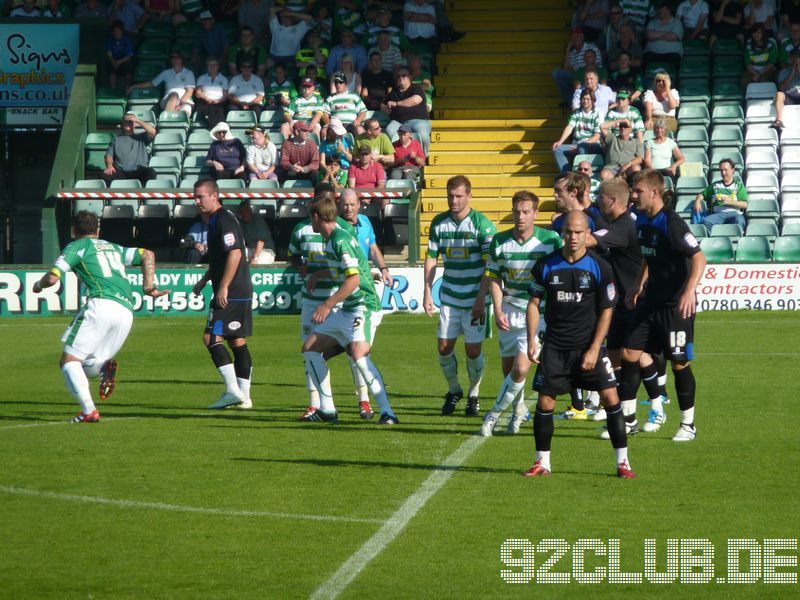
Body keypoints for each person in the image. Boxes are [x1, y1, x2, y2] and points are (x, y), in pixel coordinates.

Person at [522, 210, 634, 478]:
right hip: (556, 348)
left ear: (587, 234)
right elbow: (533, 303)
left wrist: (595, 347)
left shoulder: (599, 267)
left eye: (578, 232)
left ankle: (623, 463)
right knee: (546, 401)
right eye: (568, 232)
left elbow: (607, 309)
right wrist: (531, 339)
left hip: (588, 347)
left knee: (610, 398)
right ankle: (542, 463)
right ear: (563, 234)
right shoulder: (545, 265)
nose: (573, 237)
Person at [32, 211, 168, 422]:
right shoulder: (114, 247)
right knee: (89, 364)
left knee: (68, 361)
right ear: (98, 230)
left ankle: (88, 411)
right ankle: (103, 366)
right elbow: (147, 254)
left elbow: (52, 278)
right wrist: (149, 287)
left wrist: (38, 286)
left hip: (100, 304)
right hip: (125, 311)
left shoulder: (76, 246)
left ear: (73, 231)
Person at [618, 169, 706, 442]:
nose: (633, 196)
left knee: (679, 363)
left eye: (638, 191)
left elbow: (699, 258)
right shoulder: (642, 220)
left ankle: (688, 425)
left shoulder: (672, 222)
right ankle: (629, 420)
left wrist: (688, 292)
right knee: (629, 354)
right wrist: (638, 284)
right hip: (650, 301)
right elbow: (648, 256)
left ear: (654, 192)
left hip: (674, 306)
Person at [301, 195, 399, 425]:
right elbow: (344, 272)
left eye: (310, 218)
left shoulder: (339, 240)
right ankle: (327, 409)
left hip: (364, 306)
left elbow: (353, 280)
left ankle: (387, 412)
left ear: (316, 217)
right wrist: (319, 274)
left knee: (359, 355)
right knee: (310, 349)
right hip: (349, 308)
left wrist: (327, 304)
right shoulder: (332, 239)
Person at [474, 191, 562, 437]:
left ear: (535, 213)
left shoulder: (551, 240)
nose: (521, 217)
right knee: (509, 372)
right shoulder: (500, 241)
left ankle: (491, 416)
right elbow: (494, 277)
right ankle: (518, 409)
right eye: (517, 212)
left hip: (538, 314)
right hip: (508, 313)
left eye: (526, 212)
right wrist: (498, 308)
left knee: (521, 369)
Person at [584, 179, 668, 433]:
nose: (598, 203)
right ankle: (626, 415)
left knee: (636, 355)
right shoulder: (617, 224)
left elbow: (587, 242)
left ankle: (656, 407)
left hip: (635, 303)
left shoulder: (623, 226)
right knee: (614, 358)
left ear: (612, 201)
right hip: (619, 303)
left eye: (600, 199)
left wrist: (568, 233)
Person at [288, 186, 372, 420]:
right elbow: (292, 255)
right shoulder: (301, 229)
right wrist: (300, 266)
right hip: (310, 300)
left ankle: (363, 400)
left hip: (337, 300)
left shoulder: (343, 229)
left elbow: (354, 264)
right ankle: (316, 404)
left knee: (353, 351)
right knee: (310, 351)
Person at [423, 175, 496, 417]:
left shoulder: (482, 225)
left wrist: (481, 298)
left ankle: (474, 393)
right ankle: (454, 390)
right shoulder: (439, 223)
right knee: (444, 347)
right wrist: (427, 291)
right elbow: (432, 257)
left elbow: (490, 267)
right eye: (450, 196)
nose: (453, 200)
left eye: (458, 196)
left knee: (473, 351)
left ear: (469, 196)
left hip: (476, 298)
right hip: (450, 298)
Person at [191, 179, 255, 410]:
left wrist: (224, 286)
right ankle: (244, 397)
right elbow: (220, 258)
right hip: (239, 289)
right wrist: (205, 279)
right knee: (237, 341)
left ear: (214, 196)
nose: (197, 201)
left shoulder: (223, 219)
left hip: (233, 291)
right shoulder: (218, 219)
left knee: (211, 338)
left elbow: (235, 254)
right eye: (195, 197)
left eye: (200, 196)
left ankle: (232, 391)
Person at [552, 87, 603, 174]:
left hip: (593, 144)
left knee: (582, 147)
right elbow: (569, 127)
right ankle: (567, 174)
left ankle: (582, 175)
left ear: (593, 100)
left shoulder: (598, 113)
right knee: (557, 149)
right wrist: (560, 141)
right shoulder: (576, 112)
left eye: (588, 99)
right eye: (583, 98)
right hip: (577, 144)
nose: (585, 101)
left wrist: (581, 145)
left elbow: (597, 135)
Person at [382, 66, 432, 153]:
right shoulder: (394, 90)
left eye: (404, 75)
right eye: (398, 76)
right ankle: (398, 155)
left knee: (423, 136)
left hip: (418, 120)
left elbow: (415, 100)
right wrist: (384, 108)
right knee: (389, 130)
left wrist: (397, 103)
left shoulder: (416, 88)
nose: (401, 77)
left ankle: (424, 157)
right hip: (398, 122)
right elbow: (383, 103)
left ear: (410, 77)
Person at [128, 52, 195, 116]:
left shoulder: (188, 73)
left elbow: (190, 91)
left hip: (184, 101)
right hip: (168, 100)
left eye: (177, 57)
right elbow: (152, 83)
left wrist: (180, 104)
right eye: (172, 57)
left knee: (185, 112)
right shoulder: (166, 73)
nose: (174, 59)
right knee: (174, 95)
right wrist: (134, 86)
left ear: (181, 59)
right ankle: (165, 119)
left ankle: (167, 118)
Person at [694, 158, 748, 234]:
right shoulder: (715, 186)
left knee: (739, 220)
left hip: (734, 214)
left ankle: (736, 242)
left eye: (726, 170)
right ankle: (712, 241)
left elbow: (745, 204)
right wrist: (698, 201)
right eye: (721, 170)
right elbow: (702, 194)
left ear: (732, 170)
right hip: (718, 214)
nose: (723, 173)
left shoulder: (739, 186)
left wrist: (730, 202)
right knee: (706, 221)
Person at [552, 27, 604, 104]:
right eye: (573, 37)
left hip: (590, 75)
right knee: (557, 73)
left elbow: (598, 64)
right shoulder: (572, 53)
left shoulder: (591, 47)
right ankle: (571, 101)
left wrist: (587, 73)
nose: (575, 39)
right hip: (577, 76)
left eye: (577, 36)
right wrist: (567, 50)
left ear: (582, 37)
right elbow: (565, 69)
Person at [103, 113, 157, 185]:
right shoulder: (116, 140)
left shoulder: (142, 137)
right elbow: (108, 155)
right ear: (122, 123)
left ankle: (144, 195)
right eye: (126, 121)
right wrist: (109, 165)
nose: (128, 123)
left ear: (135, 124)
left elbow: (153, 132)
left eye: (130, 121)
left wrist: (137, 120)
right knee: (104, 175)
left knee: (151, 172)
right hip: (121, 172)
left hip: (139, 171)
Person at [644, 1, 684, 69]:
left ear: (668, 9)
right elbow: (649, 35)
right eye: (657, 8)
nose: (658, 10)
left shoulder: (677, 23)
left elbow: (673, 37)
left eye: (661, 8)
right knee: (645, 58)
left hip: (671, 55)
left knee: (675, 60)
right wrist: (667, 33)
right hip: (652, 54)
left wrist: (656, 34)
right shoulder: (652, 22)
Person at [194, 56, 229, 129]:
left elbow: (225, 96)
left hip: (219, 102)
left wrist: (218, 101)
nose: (212, 67)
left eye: (214, 65)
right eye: (210, 65)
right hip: (205, 101)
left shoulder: (224, 79)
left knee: (219, 110)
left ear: (218, 66)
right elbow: (198, 93)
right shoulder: (201, 78)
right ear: (207, 67)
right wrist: (207, 99)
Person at [238, 200, 276, 265]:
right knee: (237, 256)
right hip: (251, 249)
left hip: (265, 251)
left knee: (258, 262)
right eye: (242, 212)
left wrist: (255, 258)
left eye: (246, 211)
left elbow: (261, 242)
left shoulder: (258, 220)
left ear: (250, 211)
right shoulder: (240, 222)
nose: (244, 214)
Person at [742, 22, 778, 88]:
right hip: (752, 70)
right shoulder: (748, 45)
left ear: (763, 33)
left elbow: (772, 63)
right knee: (744, 81)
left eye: (758, 32)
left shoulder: (771, 45)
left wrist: (760, 73)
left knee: (762, 81)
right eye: (754, 32)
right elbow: (748, 64)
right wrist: (754, 73)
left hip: (767, 70)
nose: (756, 35)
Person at [772, 50, 800, 129]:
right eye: (793, 58)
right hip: (789, 95)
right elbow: (781, 87)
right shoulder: (784, 71)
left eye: (797, 58)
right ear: (790, 59)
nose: (795, 60)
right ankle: (779, 120)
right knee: (779, 94)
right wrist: (792, 73)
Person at [106, 20, 134, 89]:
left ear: (122, 31)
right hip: (115, 59)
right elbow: (109, 54)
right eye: (114, 31)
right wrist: (112, 60)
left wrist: (119, 62)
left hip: (123, 60)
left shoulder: (126, 40)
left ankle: (127, 87)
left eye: (118, 31)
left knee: (128, 65)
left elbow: (129, 56)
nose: (116, 33)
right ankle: (113, 88)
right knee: (110, 65)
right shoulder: (110, 40)